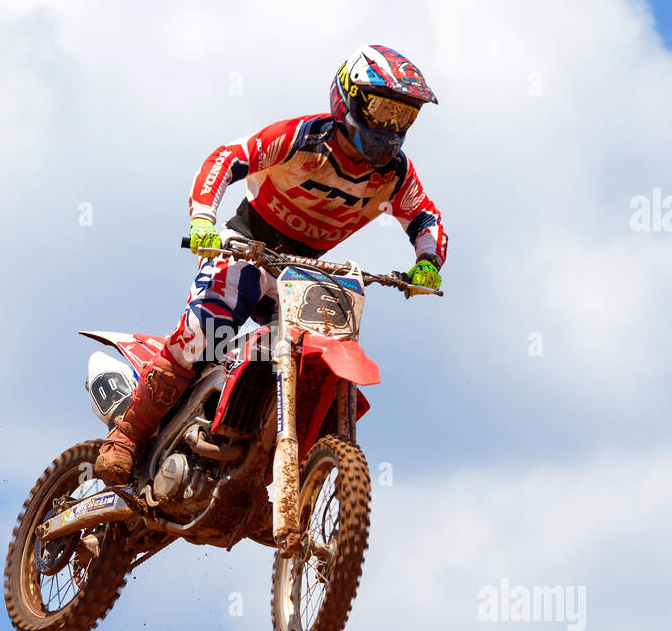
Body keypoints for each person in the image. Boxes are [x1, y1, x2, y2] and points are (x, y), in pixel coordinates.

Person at [94, 44, 448, 485]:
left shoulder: (395, 173)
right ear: (350, 99)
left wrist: (427, 262)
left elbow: (424, 217)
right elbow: (226, 159)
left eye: (405, 117)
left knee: (319, 357)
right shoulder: (303, 137)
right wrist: (203, 219)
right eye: (383, 109)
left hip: (305, 272)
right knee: (203, 337)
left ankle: (288, 473)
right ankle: (126, 438)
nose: (392, 128)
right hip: (248, 247)